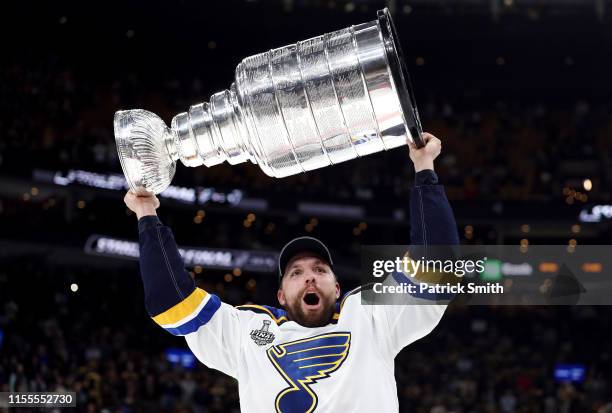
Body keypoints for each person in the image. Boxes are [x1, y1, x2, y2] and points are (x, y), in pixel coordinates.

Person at [124, 132, 459, 412]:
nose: (309, 276)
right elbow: (172, 303)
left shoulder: (371, 317)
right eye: (296, 272)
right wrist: (146, 214)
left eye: (319, 269)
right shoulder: (247, 331)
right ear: (281, 296)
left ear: (338, 288)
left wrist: (424, 167)